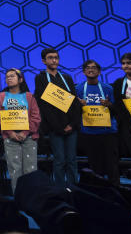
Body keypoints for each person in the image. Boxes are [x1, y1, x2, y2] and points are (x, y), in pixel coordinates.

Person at [33, 47, 81, 187]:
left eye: (56, 57)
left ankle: (74, 189)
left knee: (72, 160)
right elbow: (44, 106)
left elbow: (74, 102)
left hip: (71, 126)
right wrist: (59, 127)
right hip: (55, 128)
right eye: (50, 57)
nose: (54, 60)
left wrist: (72, 124)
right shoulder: (40, 78)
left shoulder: (66, 77)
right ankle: (60, 190)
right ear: (43, 61)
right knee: (59, 160)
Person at [0, 68, 40, 194]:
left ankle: (33, 201)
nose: (9, 78)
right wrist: (11, 133)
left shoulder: (29, 97)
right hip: (10, 138)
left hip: (29, 138)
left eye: (12, 76)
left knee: (30, 171)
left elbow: (36, 117)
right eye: (7, 76)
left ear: (20, 79)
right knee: (15, 171)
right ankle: (19, 201)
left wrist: (25, 132)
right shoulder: (1, 96)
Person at [78, 60, 119, 185]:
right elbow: (72, 110)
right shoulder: (78, 89)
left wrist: (109, 104)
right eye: (88, 68)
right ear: (84, 71)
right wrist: (79, 105)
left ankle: (116, 192)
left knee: (112, 166)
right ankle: (99, 193)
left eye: (94, 67)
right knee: (95, 167)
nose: (91, 69)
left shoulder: (108, 88)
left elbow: (118, 110)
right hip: (89, 132)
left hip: (108, 132)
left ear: (99, 71)